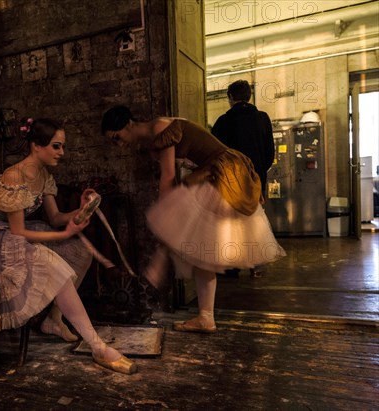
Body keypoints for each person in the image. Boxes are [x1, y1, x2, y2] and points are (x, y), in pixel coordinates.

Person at [0, 118, 137, 374]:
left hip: (15, 238)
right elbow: (19, 231)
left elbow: (55, 219)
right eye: (56, 146)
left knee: (80, 251)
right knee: (51, 264)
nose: (61, 153)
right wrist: (66, 232)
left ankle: (53, 319)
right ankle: (97, 346)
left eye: (62, 146)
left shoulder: (44, 176)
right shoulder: (14, 175)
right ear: (35, 146)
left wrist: (83, 210)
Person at [101, 106, 285, 333]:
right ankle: (205, 317)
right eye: (113, 142)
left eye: (117, 137)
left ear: (128, 124)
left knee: (185, 232)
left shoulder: (161, 127)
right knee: (201, 250)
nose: (119, 144)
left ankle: (163, 261)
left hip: (222, 173)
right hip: (210, 173)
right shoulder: (153, 138)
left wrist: (166, 218)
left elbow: (168, 178)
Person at [211, 80, 275, 277]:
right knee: (255, 219)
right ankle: (257, 265)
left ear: (230, 98)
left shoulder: (223, 121)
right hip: (256, 178)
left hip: (230, 181)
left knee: (231, 223)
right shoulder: (263, 118)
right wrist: (258, 173)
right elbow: (269, 152)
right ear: (249, 96)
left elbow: (215, 153)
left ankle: (232, 266)